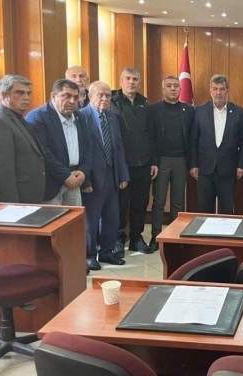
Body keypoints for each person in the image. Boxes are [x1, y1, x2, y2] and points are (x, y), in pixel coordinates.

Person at [79, 81, 129, 270]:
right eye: (100, 95)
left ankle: (107, 252)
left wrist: (123, 174)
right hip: (92, 178)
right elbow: (81, 151)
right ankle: (90, 255)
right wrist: (85, 180)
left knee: (111, 217)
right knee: (91, 220)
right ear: (90, 96)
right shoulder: (81, 117)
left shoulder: (112, 116)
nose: (105, 98)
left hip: (112, 175)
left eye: (108, 95)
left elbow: (118, 147)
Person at [110, 67, 155, 254]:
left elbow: (152, 135)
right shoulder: (112, 102)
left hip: (143, 164)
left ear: (139, 83)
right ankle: (118, 239)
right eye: (127, 78)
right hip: (122, 165)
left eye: (135, 79)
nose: (131, 82)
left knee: (140, 203)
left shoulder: (145, 104)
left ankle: (137, 238)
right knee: (120, 205)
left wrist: (153, 161)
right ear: (121, 81)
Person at [26, 79, 92, 206]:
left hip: (75, 179)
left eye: (75, 97)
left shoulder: (80, 117)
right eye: (67, 96)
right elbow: (43, 152)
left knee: (75, 218)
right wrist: (66, 176)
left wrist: (83, 171)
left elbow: (88, 147)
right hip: (51, 183)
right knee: (54, 219)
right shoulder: (38, 117)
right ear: (53, 96)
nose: (72, 101)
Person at [0, 75, 46, 203]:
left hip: (29, 195)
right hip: (16, 199)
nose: (26, 97)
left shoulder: (16, 116)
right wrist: (12, 204)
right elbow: (2, 170)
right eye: (20, 92)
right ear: (5, 95)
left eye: (28, 93)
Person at [189, 74, 243, 214]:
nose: (218, 92)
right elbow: (194, 139)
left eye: (222, 89)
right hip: (205, 168)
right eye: (215, 89)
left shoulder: (238, 112)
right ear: (210, 90)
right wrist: (193, 164)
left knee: (227, 209)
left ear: (227, 90)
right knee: (204, 209)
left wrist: (241, 165)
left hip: (228, 169)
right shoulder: (199, 111)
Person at [149, 76, 194, 249]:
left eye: (176, 85)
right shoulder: (154, 109)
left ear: (181, 89)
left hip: (181, 160)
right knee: (159, 201)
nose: (173, 88)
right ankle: (155, 237)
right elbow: (151, 137)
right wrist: (154, 161)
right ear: (163, 89)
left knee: (178, 202)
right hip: (162, 161)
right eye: (169, 86)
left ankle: (175, 238)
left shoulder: (188, 110)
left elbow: (193, 136)